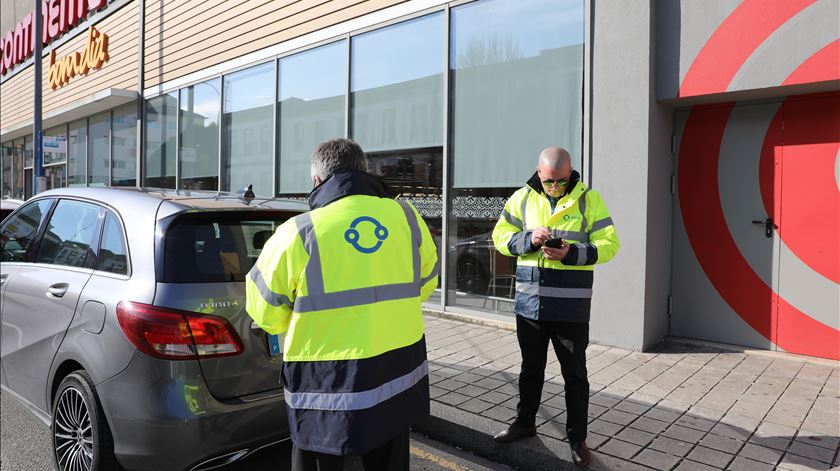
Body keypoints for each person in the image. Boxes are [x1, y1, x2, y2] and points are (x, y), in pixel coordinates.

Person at [245, 138, 439, 471]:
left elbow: (263, 309)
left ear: (317, 180)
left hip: (326, 385)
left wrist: (286, 325)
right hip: (395, 374)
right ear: (364, 171)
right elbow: (426, 282)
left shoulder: (299, 232)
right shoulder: (406, 217)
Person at [490, 147, 619, 468]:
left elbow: (610, 244)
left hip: (570, 309)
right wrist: (529, 239)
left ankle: (577, 439)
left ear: (571, 171)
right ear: (538, 171)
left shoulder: (589, 199)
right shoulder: (521, 198)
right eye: (549, 181)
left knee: (575, 374)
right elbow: (500, 236)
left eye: (561, 181)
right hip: (530, 304)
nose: (555, 187)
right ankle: (525, 423)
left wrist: (572, 252)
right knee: (530, 369)